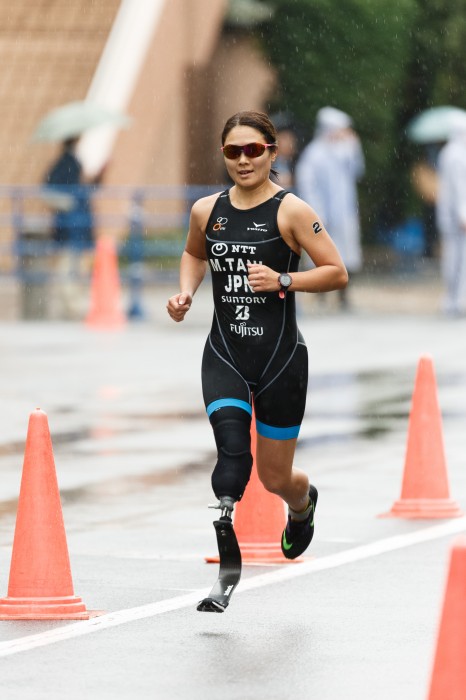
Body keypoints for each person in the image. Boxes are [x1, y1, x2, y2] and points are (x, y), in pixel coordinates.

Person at [167, 110, 348, 560]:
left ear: (271, 152)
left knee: (274, 478)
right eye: (233, 151)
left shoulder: (292, 210)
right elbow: (194, 253)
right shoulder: (206, 210)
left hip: (280, 360)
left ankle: (303, 506)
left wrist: (284, 281)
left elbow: (336, 272)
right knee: (232, 454)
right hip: (225, 353)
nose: (243, 160)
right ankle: (225, 523)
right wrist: (185, 293)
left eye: (252, 150)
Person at [295, 106, 365, 309]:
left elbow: (357, 171)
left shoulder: (343, 151)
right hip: (322, 215)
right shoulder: (314, 154)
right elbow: (309, 186)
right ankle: (321, 296)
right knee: (322, 256)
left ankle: (344, 296)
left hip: (345, 214)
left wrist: (355, 147)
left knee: (346, 255)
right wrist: (316, 212)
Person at [43, 138, 102, 318]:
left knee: (71, 268)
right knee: (69, 268)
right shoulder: (67, 164)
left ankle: (70, 307)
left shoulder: (68, 163)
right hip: (73, 227)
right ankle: (72, 308)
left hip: (73, 227)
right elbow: (53, 190)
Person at [435, 113, 466, 316]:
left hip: (451, 215)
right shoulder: (457, 154)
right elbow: (459, 187)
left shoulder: (449, 152)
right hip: (457, 217)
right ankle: (455, 300)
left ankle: (454, 300)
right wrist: (463, 214)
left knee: (454, 259)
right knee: (456, 260)